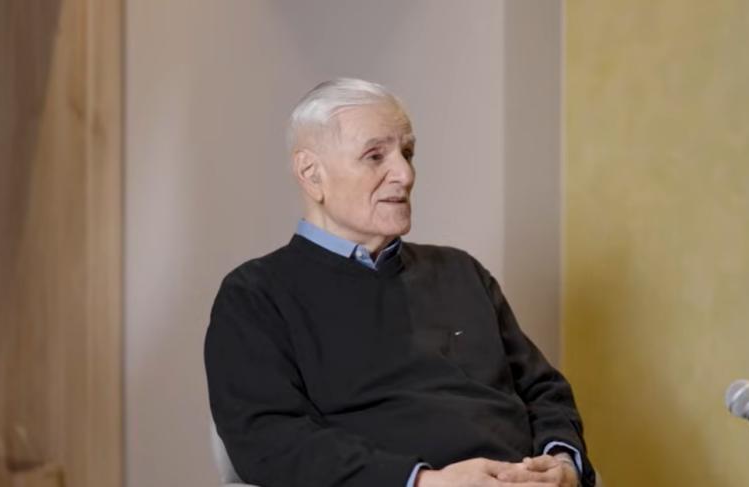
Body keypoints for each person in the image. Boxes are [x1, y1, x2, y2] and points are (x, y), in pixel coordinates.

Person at [204, 78, 596, 487]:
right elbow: (266, 439)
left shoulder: (462, 272)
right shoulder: (256, 294)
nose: (405, 174)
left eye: (407, 153)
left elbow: (543, 389)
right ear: (311, 173)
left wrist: (562, 461)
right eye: (375, 156)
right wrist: (424, 482)